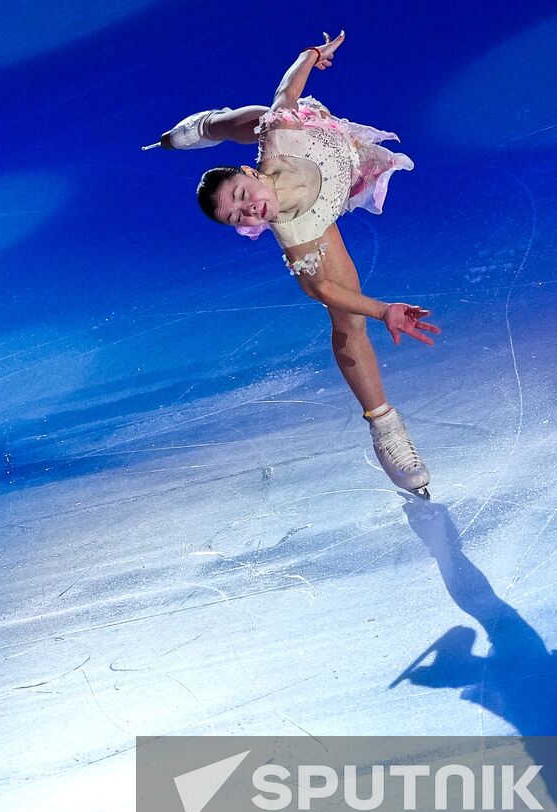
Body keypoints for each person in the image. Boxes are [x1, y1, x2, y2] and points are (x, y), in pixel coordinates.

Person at [149, 32, 438, 497]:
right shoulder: (294, 234)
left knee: (260, 119)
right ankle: (385, 427)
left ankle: (206, 127)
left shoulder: (280, 140)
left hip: (317, 142)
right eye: (236, 218)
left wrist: (311, 55)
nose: (247, 212)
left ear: (248, 173)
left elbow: (288, 92)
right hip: (316, 211)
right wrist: (383, 309)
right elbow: (323, 290)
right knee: (346, 320)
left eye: (242, 197)